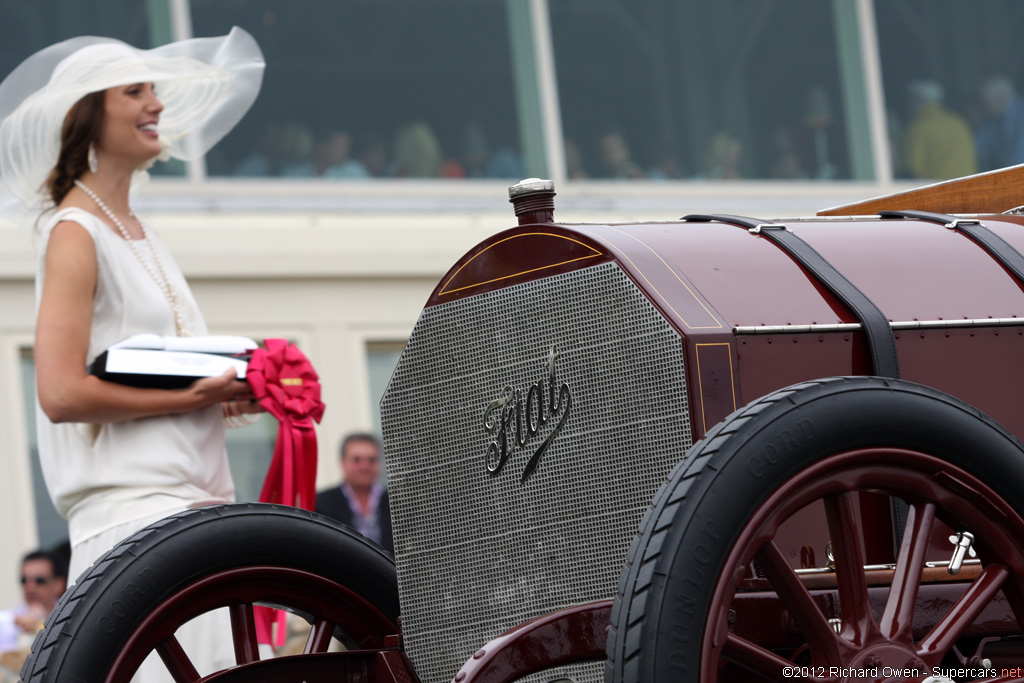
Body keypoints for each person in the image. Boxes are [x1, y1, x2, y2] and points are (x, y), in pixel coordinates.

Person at [0, 28, 265, 679]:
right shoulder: (74, 232)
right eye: (135, 90)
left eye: (154, 90)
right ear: (88, 114)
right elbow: (60, 394)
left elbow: (142, 369)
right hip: (134, 531)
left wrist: (223, 396)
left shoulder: (142, 232)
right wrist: (191, 395)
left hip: (194, 523)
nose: (156, 104)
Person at [315, 432, 394, 554]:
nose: (364, 466)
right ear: (342, 462)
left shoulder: (396, 502)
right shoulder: (321, 504)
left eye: (371, 460)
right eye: (356, 460)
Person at [904, 80, 976, 180]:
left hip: (939, 190)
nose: (909, 106)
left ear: (918, 101)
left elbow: (912, 169)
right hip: (967, 186)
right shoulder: (959, 123)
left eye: (911, 101)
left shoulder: (919, 127)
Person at [0, 550, 67, 653]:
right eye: (24, 580)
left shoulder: (69, 613)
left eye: (39, 580)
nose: (30, 588)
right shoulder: (11, 619)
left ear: (59, 584)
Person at [974, 76, 1024, 172]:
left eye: (986, 102)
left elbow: (1017, 159)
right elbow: (978, 149)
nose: (984, 107)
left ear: (1000, 97)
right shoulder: (992, 120)